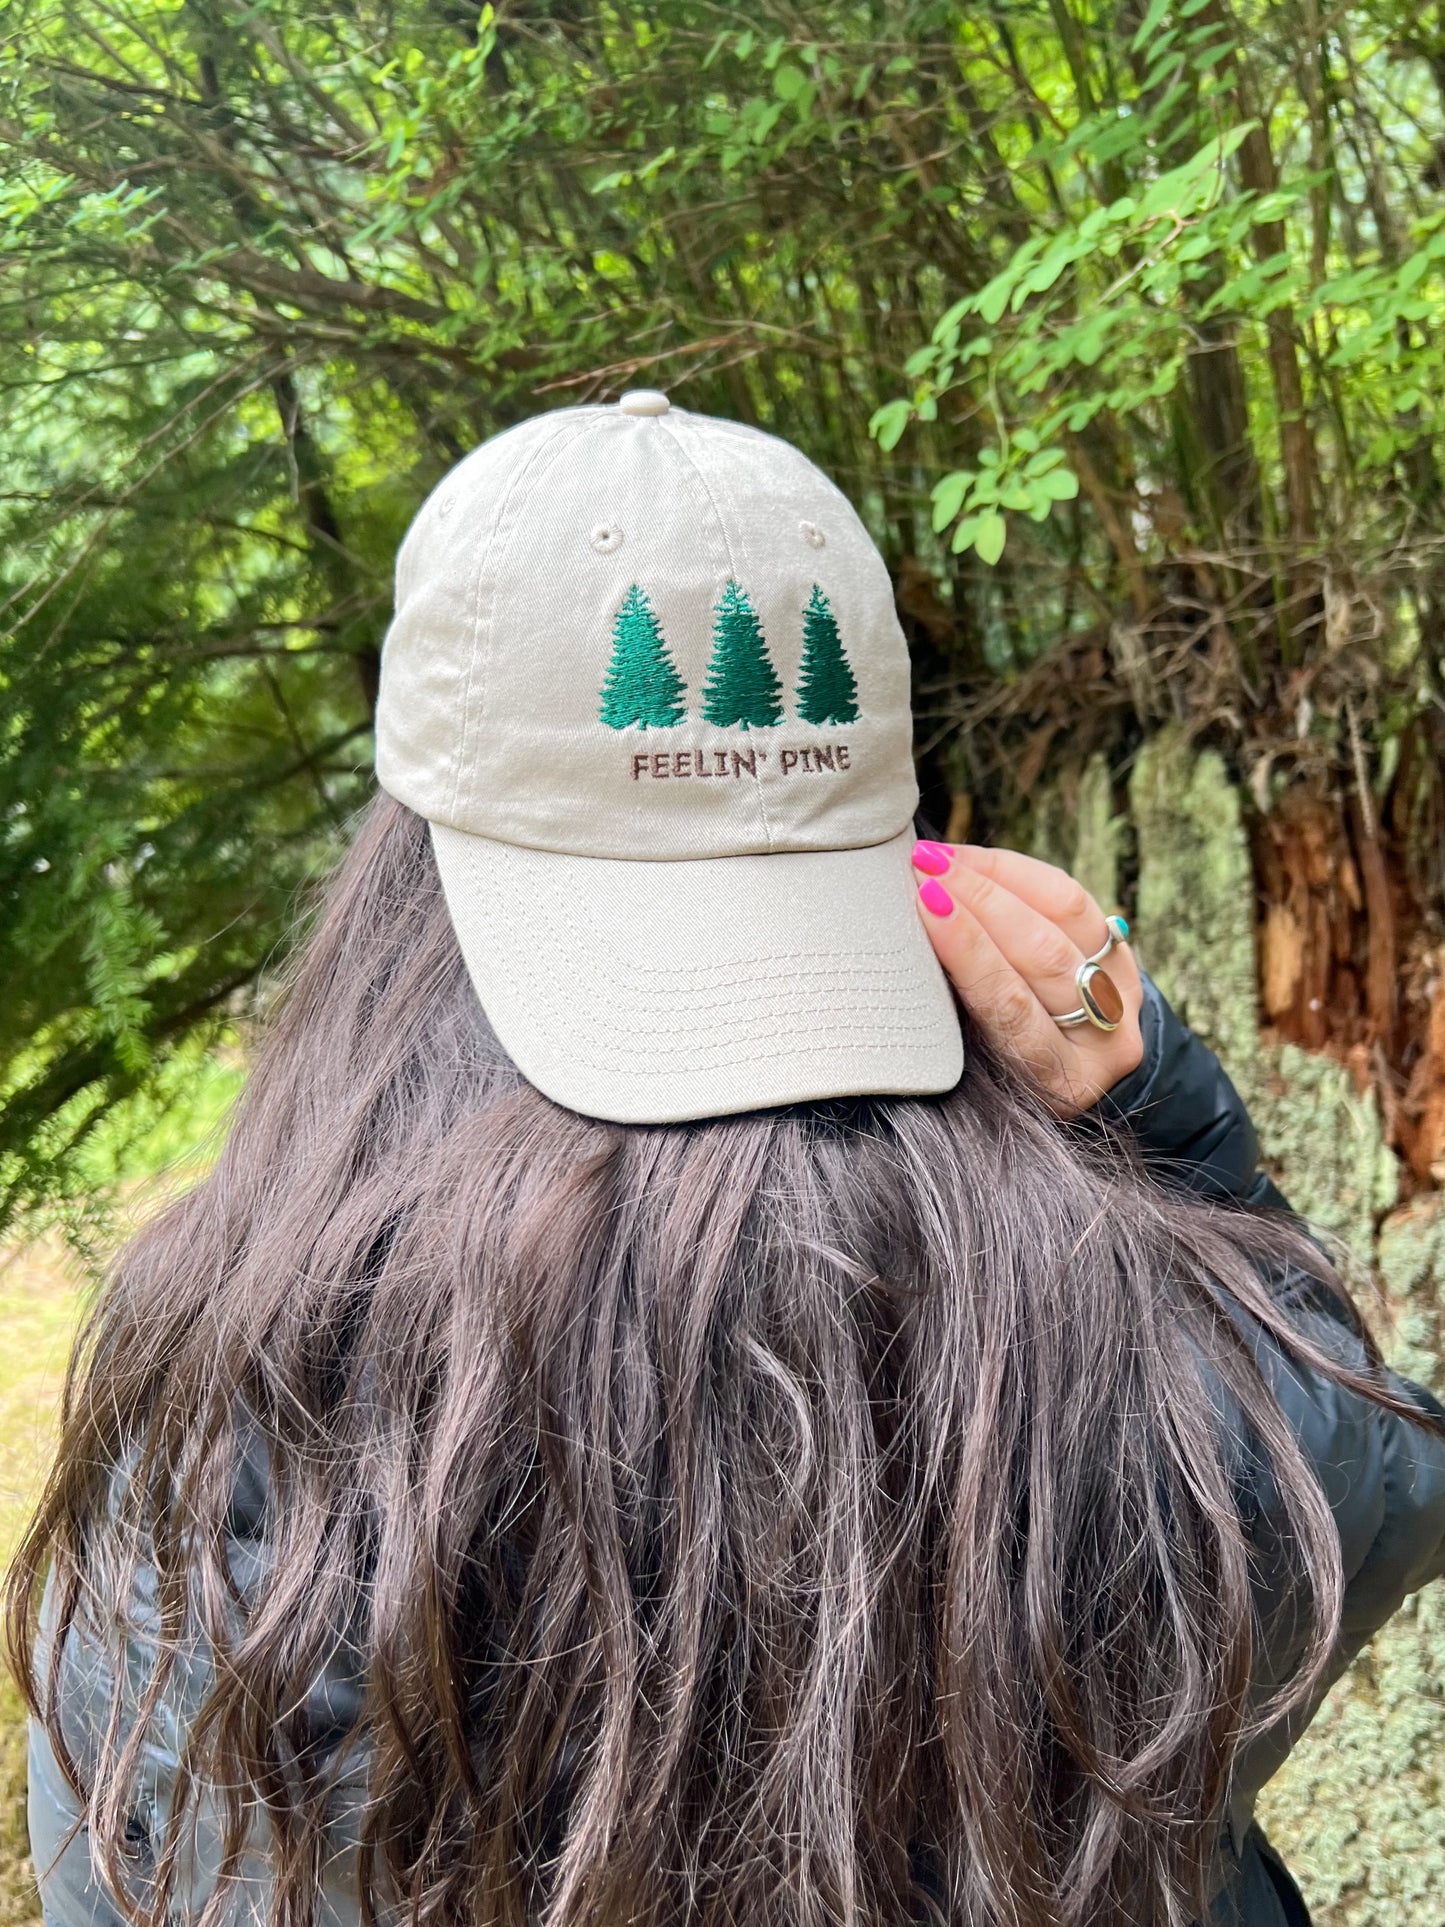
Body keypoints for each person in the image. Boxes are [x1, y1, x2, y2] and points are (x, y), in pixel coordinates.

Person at [9, 393, 1445, 1927]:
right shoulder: (1132, 1372)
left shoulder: (211, 1442)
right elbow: (1386, 1473)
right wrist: (1172, 1123)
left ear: (403, 891)